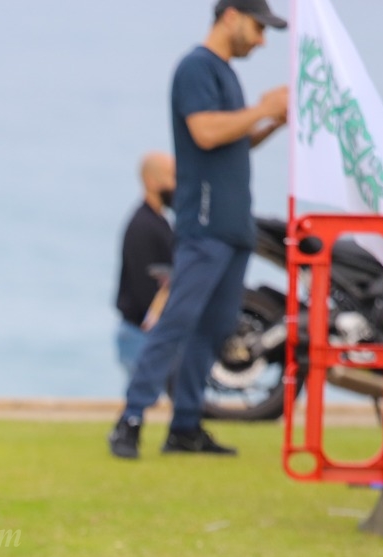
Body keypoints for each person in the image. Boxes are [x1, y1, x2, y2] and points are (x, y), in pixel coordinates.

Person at [109, 0, 288, 460]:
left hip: (233, 226)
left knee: (215, 327)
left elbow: (233, 142)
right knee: (178, 322)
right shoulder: (196, 67)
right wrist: (262, 108)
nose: (262, 38)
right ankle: (130, 419)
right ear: (231, 16)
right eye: (258, 26)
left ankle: (185, 425)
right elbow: (205, 133)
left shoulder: (225, 72)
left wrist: (271, 121)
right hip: (205, 223)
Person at [115, 152, 176, 378]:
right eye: (172, 177)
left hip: (146, 333)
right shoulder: (143, 225)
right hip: (141, 334)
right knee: (145, 400)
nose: (177, 185)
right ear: (151, 181)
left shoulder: (159, 222)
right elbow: (145, 287)